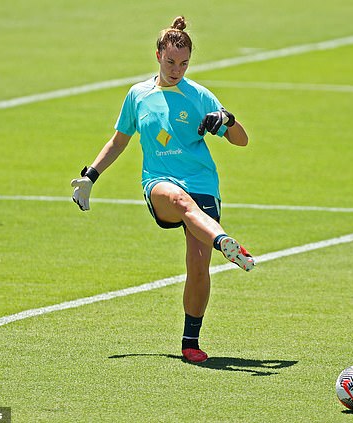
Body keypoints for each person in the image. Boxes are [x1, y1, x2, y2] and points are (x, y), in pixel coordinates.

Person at [70, 16, 255, 363]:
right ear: (157, 55)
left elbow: (241, 141)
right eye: (171, 62)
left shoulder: (198, 95)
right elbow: (119, 140)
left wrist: (228, 120)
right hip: (159, 184)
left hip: (202, 183)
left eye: (184, 64)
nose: (176, 70)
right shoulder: (138, 95)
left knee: (198, 268)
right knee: (178, 200)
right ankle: (224, 243)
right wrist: (90, 176)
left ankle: (190, 343)